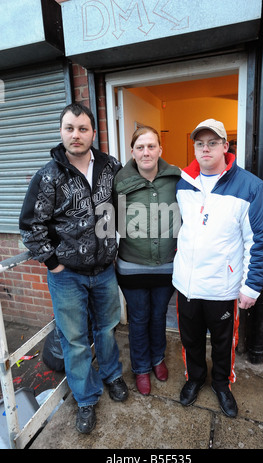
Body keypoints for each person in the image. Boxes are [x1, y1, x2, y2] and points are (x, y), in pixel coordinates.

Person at [19, 103, 128, 434]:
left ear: (93, 133)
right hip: (67, 275)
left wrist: (115, 244)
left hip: (105, 270)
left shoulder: (111, 167)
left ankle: (112, 376)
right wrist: (53, 263)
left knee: (107, 328)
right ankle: (86, 398)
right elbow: (30, 225)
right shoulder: (49, 175)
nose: (76, 134)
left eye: (83, 128)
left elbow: (122, 208)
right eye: (70, 128)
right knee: (75, 338)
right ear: (61, 132)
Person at [172, 118, 263, 417]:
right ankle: (194, 378)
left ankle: (221, 383)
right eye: (200, 143)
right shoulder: (182, 183)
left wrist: (251, 286)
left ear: (225, 146)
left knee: (222, 343)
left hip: (222, 286)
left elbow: (260, 241)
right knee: (190, 339)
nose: (205, 149)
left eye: (212, 143)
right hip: (187, 284)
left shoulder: (251, 187)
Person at [113, 126, 181, 395]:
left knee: (158, 315)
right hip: (132, 266)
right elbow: (110, 221)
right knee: (139, 318)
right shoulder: (119, 181)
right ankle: (141, 368)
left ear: (160, 149)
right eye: (140, 147)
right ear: (132, 152)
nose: (146, 152)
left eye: (151, 146)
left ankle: (157, 359)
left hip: (166, 266)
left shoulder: (176, 178)